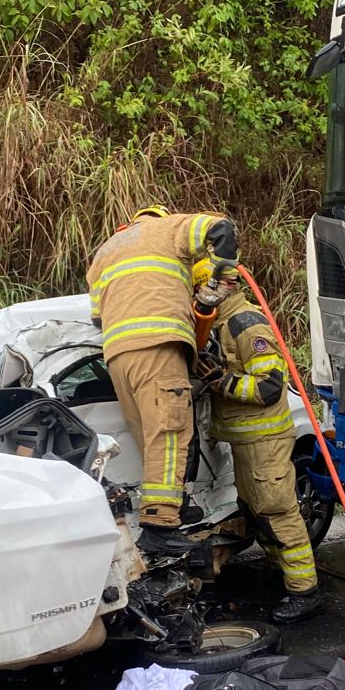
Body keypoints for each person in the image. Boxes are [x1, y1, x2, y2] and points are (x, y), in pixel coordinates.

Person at [87, 205, 239, 555]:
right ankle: (160, 526)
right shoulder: (170, 229)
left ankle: (175, 504)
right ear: (160, 215)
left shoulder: (104, 252)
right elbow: (221, 230)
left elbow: (98, 318)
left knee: (149, 436)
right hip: (159, 346)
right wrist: (220, 281)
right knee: (169, 435)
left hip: (118, 357)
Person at [197, 274, 322, 624]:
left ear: (220, 289)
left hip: (265, 440)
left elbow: (270, 386)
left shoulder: (246, 324)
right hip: (246, 440)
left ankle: (305, 592)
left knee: (277, 511)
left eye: (200, 289)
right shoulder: (222, 322)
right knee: (257, 512)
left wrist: (223, 383)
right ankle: (280, 573)